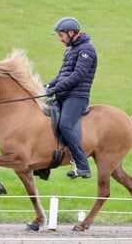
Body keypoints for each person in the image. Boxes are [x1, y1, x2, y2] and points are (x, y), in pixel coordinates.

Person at [46, 17, 97, 179]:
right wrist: (46, 87)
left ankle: (83, 166)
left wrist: (55, 89)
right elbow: (61, 75)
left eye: (62, 35)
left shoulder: (86, 50)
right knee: (44, 118)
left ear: (71, 32)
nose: (61, 39)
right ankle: (43, 165)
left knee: (65, 124)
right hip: (64, 95)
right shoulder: (70, 50)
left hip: (77, 96)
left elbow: (78, 75)